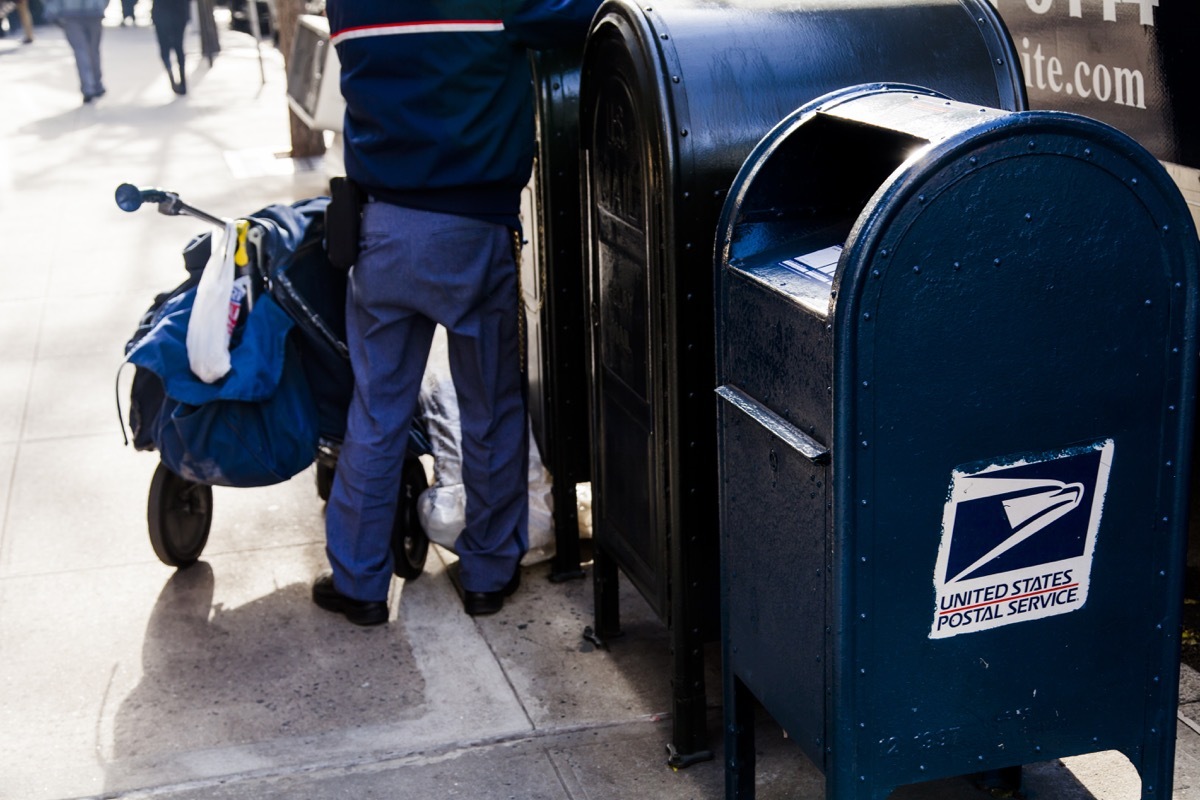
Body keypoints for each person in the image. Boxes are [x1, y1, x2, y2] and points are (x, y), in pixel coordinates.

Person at [314, 0, 600, 625]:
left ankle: (359, 582)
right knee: (490, 408)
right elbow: (585, 14)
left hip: (380, 228)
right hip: (473, 230)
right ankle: (487, 575)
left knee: (377, 411)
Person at [44, 0, 108, 103]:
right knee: (93, 50)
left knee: (80, 50)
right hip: (93, 10)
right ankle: (96, 84)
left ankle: (88, 87)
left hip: (70, 11)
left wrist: (53, 11)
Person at [151, 0, 187, 94]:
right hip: (177, 12)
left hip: (165, 13)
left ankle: (174, 78)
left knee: (166, 49)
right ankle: (180, 80)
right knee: (178, 48)